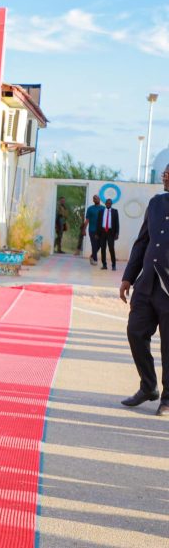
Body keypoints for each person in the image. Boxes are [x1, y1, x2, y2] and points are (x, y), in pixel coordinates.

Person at [120, 164, 169, 417]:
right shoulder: (156, 203)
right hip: (146, 284)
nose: (165, 176)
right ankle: (148, 386)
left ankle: (167, 398)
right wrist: (128, 277)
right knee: (135, 332)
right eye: (165, 173)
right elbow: (142, 242)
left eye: (168, 173)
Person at [96, 197, 119, 270]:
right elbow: (98, 223)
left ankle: (113, 265)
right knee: (103, 249)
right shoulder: (101, 211)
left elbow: (117, 223)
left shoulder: (115, 211)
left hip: (111, 233)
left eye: (110, 203)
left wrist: (117, 233)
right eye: (107, 203)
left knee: (111, 248)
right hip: (102, 232)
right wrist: (97, 233)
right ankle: (104, 265)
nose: (108, 204)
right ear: (105, 204)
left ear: (111, 204)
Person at [84, 194, 103, 265]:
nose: (96, 199)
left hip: (101, 231)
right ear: (93, 200)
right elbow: (87, 220)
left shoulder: (103, 208)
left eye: (97, 198)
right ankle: (95, 260)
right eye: (94, 198)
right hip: (92, 230)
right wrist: (84, 230)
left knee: (100, 244)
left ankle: (92, 256)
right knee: (94, 245)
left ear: (99, 199)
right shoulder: (90, 209)